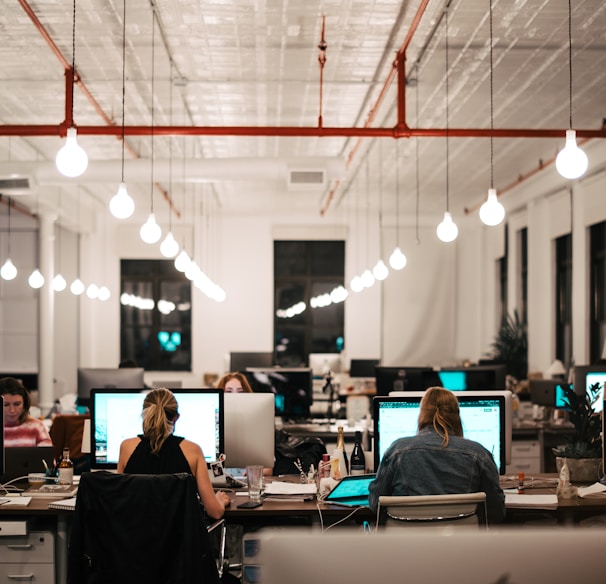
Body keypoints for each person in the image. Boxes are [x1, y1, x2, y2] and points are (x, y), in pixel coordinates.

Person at [368, 386, 506, 524]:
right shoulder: (480, 454)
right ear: (456, 417)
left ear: (422, 415)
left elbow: (376, 504)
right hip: (462, 543)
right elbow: (496, 512)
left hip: (408, 543)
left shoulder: (396, 451)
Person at [117, 388, 230, 520]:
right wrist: (219, 501)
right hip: (180, 539)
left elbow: (119, 501)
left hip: (134, 538)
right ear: (176, 418)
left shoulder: (127, 447)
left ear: (144, 415)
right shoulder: (192, 451)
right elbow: (214, 512)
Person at [0, 377, 53, 447]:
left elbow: (47, 456)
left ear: (24, 404)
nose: (12, 410)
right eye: (6, 405)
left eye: (17, 404)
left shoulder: (36, 427)